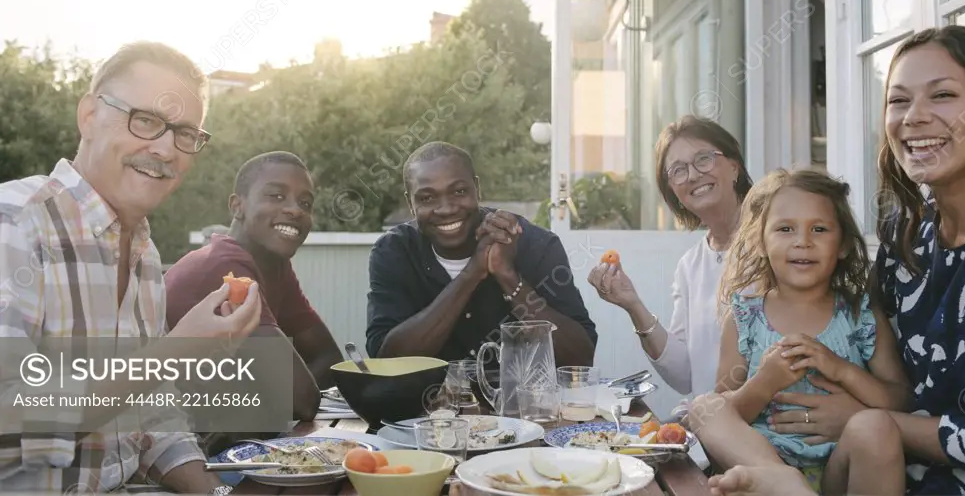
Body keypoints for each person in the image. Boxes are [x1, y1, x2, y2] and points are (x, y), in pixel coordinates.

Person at [748, 26, 965, 495]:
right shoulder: (905, 232)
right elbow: (867, 347)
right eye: (898, 101)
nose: (914, 118)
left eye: (942, 95)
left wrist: (867, 421)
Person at [0, 41, 262, 494]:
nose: (165, 149)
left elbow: (150, 418)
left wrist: (220, 494)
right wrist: (173, 352)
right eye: (145, 121)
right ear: (88, 115)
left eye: (184, 134)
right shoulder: (15, 222)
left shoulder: (144, 253)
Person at [688, 168, 910, 495]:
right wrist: (766, 382)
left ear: (844, 245)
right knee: (704, 408)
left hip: (839, 469)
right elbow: (729, 414)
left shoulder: (859, 314)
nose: (803, 242)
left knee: (876, 426)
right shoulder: (744, 317)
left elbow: (900, 400)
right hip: (763, 470)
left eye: (819, 229)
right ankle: (785, 482)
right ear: (760, 242)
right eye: (785, 229)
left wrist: (842, 370)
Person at [366, 141, 597, 367]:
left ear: (477, 189)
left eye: (459, 191)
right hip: (428, 405)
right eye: (427, 198)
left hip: (522, 404)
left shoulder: (536, 244)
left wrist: (508, 277)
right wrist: (472, 274)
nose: (446, 208)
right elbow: (386, 362)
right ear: (410, 202)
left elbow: (580, 357)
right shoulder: (394, 252)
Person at [165, 151, 343, 426]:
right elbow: (302, 401)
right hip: (167, 451)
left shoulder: (275, 265)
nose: (296, 210)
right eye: (277, 196)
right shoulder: (224, 268)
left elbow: (328, 359)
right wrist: (273, 397)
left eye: (305, 203)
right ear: (237, 206)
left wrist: (266, 400)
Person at [587, 115, 752, 396]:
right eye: (678, 170)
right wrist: (633, 304)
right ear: (674, 193)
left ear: (734, 167)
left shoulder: (776, 242)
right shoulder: (690, 266)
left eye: (703, 159)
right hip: (712, 426)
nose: (693, 175)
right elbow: (685, 376)